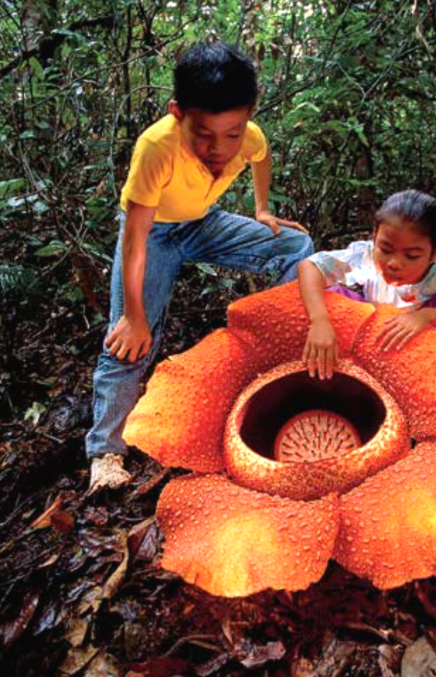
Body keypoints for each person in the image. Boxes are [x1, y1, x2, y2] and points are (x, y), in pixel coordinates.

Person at [86, 42, 313, 493]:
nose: (219, 148)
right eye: (204, 134)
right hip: (153, 235)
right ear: (177, 113)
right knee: (129, 342)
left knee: (295, 245)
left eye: (232, 133)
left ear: (248, 115)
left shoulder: (249, 135)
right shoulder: (156, 147)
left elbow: (260, 157)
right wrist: (133, 316)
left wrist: (263, 209)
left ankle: (283, 348)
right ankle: (105, 452)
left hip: (201, 222)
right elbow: (134, 242)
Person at [298, 189, 436, 380]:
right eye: (385, 250)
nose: (394, 263)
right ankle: (331, 358)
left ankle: (432, 375)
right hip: (373, 336)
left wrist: (428, 316)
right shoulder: (366, 255)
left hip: (425, 345)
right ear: (374, 237)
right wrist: (320, 321)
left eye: (412, 256)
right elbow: (311, 266)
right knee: (333, 295)